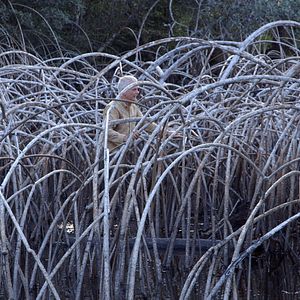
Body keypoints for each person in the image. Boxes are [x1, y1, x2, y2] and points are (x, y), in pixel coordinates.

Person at [103, 75, 156, 152]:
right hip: (110, 154)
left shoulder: (133, 106)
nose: (137, 92)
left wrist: (165, 132)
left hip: (125, 151)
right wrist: (125, 138)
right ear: (124, 91)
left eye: (138, 89)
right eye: (134, 89)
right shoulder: (113, 108)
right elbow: (106, 131)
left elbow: (146, 123)